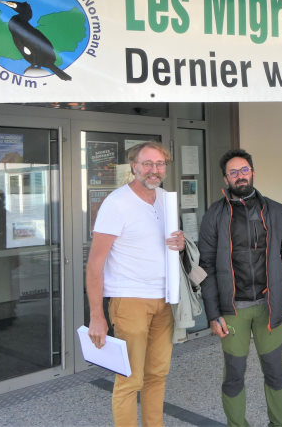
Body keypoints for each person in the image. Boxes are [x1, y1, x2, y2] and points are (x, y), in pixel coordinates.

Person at [199, 148, 282, 427]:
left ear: (253, 172)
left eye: (244, 170)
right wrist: (212, 313)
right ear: (226, 178)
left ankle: (280, 423)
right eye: (233, 172)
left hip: (269, 306)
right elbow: (204, 266)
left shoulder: (277, 211)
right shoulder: (214, 215)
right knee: (234, 373)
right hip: (232, 309)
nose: (240, 176)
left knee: (274, 371)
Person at [86, 141, 186, 427]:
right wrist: (97, 316)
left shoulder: (166, 198)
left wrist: (178, 243)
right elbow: (95, 264)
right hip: (129, 300)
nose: (154, 170)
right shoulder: (116, 203)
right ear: (133, 167)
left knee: (157, 375)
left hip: (164, 299)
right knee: (130, 380)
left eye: (159, 164)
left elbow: (164, 245)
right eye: (147, 164)